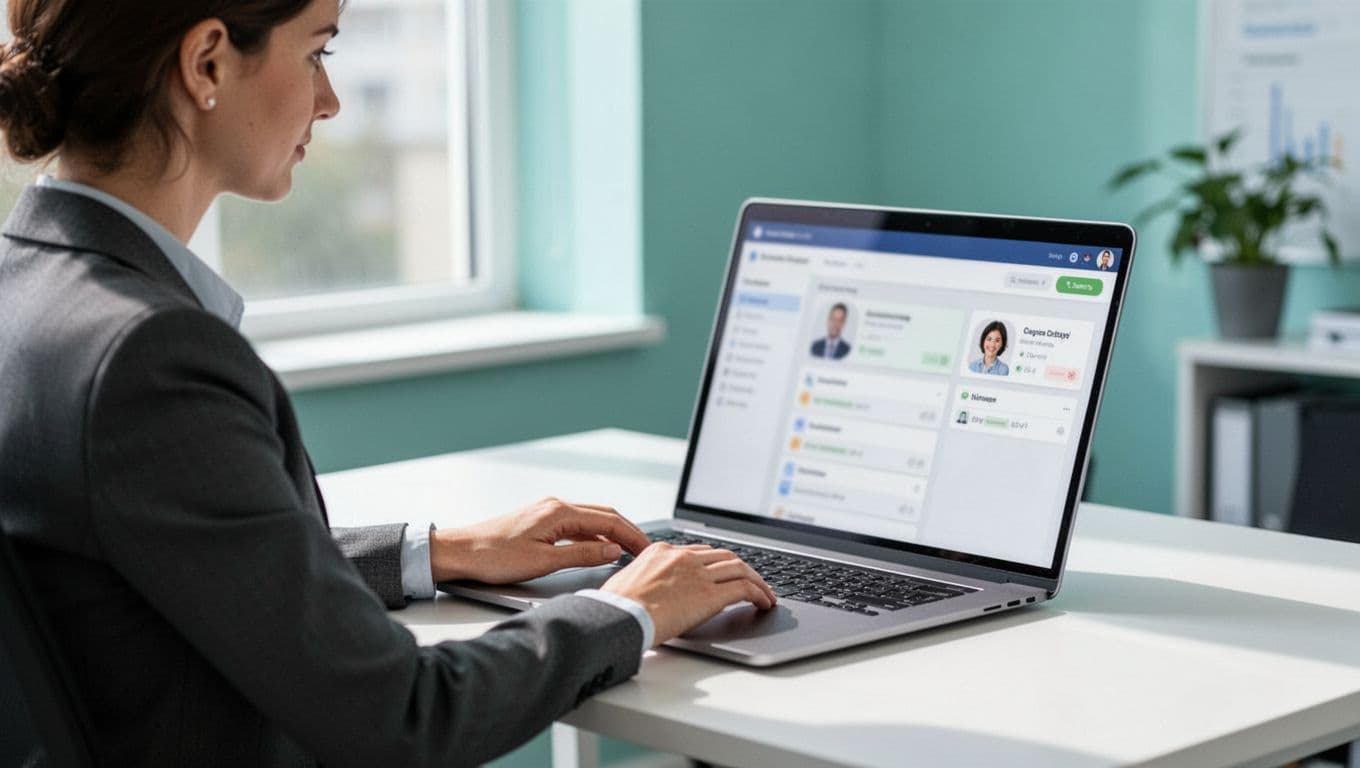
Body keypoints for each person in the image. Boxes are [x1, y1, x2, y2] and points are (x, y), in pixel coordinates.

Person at [0, 2, 774, 766]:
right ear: (207, 63)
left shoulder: (29, 292)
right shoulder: (151, 356)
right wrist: (627, 609)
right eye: (317, 53)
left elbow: (200, 559)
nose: (330, 100)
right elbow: (402, 718)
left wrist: (439, 552)